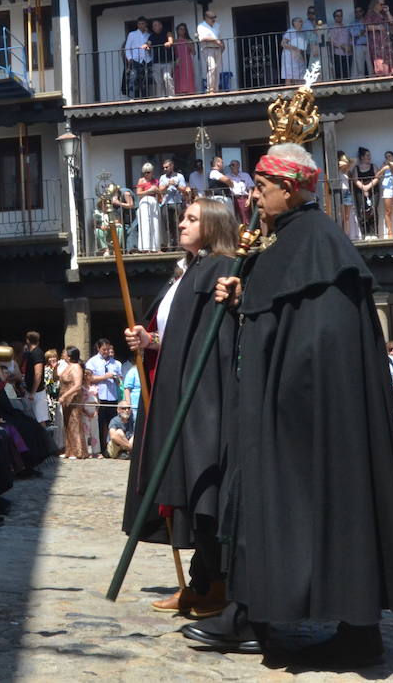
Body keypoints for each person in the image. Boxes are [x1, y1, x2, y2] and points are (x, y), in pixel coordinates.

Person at [196, 144, 393, 665]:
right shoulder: (288, 241)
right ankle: (254, 612)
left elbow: (317, 340)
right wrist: (243, 296)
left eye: (263, 185)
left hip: (309, 411)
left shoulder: (319, 242)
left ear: (292, 188)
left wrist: (280, 391)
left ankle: (341, 628)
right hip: (285, 402)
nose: (254, 193)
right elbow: (276, 311)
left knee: (326, 505)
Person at [123, 199, 241, 621]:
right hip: (177, 389)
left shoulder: (222, 268)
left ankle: (217, 583)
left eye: (192, 218)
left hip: (203, 396)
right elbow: (179, 335)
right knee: (187, 487)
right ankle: (200, 582)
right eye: (184, 218)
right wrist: (150, 340)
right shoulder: (189, 271)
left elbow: (214, 340)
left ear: (212, 224)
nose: (183, 224)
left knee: (203, 483)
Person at [84, 339, 124, 455]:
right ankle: (101, 449)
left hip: (112, 396)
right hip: (99, 396)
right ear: (98, 348)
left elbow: (120, 380)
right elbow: (89, 379)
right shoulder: (92, 362)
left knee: (113, 423)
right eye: (103, 349)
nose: (106, 352)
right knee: (100, 424)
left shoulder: (116, 363)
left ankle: (114, 449)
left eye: (107, 349)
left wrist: (117, 379)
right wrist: (105, 377)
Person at [58, 348, 89, 459]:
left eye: (65, 353)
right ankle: (69, 450)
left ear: (70, 356)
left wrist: (65, 396)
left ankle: (78, 451)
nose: (63, 354)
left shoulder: (76, 367)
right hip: (66, 401)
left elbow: (77, 385)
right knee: (67, 424)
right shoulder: (67, 366)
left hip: (74, 399)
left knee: (75, 423)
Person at [365, 0, 393, 77]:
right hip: (376, 42)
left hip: (386, 41)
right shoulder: (370, 14)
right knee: (380, 60)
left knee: (389, 59)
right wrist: (378, 27)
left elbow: (392, 22)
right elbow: (367, 26)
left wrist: (387, 12)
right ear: (375, 4)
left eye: (383, 4)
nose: (383, 6)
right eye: (381, 4)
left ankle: (389, 75)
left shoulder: (383, 15)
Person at [158, 159, 187, 249]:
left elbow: (184, 189)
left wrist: (176, 185)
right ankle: (170, 245)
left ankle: (179, 244)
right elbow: (160, 190)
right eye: (164, 168)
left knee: (177, 224)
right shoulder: (162, 177)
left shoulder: (179, 176)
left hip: (177, 202)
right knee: (168, 225)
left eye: (167, 167)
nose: (165, 169)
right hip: (166, 203)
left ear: (172, 166)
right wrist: (167, 184)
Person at [352, 147, 379, 238]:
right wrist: (363, 188)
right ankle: (365, 234)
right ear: (362, 157)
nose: (370, 157)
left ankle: (374, 233)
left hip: (373, 191)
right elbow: (355, 180)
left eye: (369, 155)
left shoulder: (373, 166)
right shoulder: (356, 168)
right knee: (363, 211)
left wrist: (368, 187)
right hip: (360, 191)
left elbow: (377, 177)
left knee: (373, 210)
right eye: (367, 155)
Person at [197, 10, 225, 92]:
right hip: (207, 48)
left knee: (217, 69)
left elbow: (220, 36)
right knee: (212, 67)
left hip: (218, 48)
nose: (214, 19)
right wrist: (215, 40)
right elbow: (202, 38)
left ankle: (216, 88)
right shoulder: (201, 26)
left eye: (214, 17)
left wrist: (223, 45)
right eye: (212, 18)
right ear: (206, 18)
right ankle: (210, 89)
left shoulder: (217, 25)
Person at [135, 163, 161, 253]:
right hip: (144, 201)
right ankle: (145, 248)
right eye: (145, 172)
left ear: (152, 172)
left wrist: (156, 190)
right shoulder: (141, 180)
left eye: (148, 172)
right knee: (145, 224)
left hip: (154, 201)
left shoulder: (156, 181)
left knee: (155, 224)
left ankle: (155, 248)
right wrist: (148, 191)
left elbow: (160, 192)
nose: (146, 174)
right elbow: (138, 193)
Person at [124, 17, 151, 99]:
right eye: (139, 24)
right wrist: (129, 58)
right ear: (137, 25)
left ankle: (145, 98)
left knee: (146, 80)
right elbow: (127, 48)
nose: (141, 25)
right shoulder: (132, 34)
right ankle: (134, 98)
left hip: (147, 60)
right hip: (135, 60)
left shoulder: (148, 35)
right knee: (134, 79)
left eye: (143, 23)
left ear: (146, 24)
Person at [149, 18, 173, 96]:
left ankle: (171, 96)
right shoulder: (152, 36)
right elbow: (148, 43)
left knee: (167, 78)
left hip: (166, 61)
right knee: (158, 81)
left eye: (155, 25)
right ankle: (160, 98)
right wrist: (146, 45)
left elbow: (171, 41)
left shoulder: (167, 33)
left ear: (160, 25)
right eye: (153, 26)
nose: (154, 27)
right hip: (156, 62)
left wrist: (168, 43)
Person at [280, 17, 308, 82]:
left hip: (298, 56)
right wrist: (295, 48)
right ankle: (288, 91)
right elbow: (283, 43)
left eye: (301, 22)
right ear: (294, 23)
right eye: (299, 21)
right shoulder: (290, 31)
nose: (300, 23)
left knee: (299, 76)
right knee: (289, 75)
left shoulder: (301, 33)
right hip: (289, 56)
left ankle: (299, 91)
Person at [329, 8, 353, 79]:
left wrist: (350, 46)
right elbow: (331, 41)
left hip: (348, 53)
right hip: (338, 53)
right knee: (339, 73)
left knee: (348, 72)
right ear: (334, 17)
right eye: (337, 16)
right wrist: (342, 46)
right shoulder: (332, 28)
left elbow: (350, 37)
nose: (339, 17)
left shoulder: (346, 26)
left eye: (341, 16)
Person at [173, 23, 197, 94]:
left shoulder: (189, 40)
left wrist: (189, 44)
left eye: (184, 29)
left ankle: (190, 92)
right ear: (177, 31)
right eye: (180, 29)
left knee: (188, 76)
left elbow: (194, 52)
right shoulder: (175, 41)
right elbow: (172, 53)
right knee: (179, 77)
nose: (182, 31)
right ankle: (180, 93)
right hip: (178, 62)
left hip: (187, 62)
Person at [351, 7, 372, 78]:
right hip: (358, 46)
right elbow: (353, 34)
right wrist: (362, 32)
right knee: (360, 66)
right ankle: (361, 82)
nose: (358, 13)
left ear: (362, 12)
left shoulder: (367, 21)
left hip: (369, 45)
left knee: (370, 65)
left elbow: (369, 31)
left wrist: (360, 33)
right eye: (356, 12)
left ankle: (373, 80)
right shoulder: (353, 23)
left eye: (359, 11)